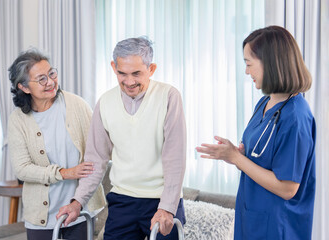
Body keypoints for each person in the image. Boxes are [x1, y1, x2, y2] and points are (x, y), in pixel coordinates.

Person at [57, 37, 187, 240]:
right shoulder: (106, 102)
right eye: (122, 73)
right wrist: (77, 202)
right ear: (113, 67)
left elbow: (175, 159)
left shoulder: (169, 97)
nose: (129, 81)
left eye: (137, 73)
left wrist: (168, 208)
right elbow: (95, 161)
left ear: (151, 69)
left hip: (160, 200)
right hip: (122, 201)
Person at [196, 25, 316, 240]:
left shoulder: (296, 116)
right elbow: (260, 158)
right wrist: (236, 154)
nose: (246, 72)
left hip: (279, 226)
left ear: (271, 63)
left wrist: (236, 159)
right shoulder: (265, 103)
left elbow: (288, 187)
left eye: (249, 64)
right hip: (252, 218)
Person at [7, 49, 106, 240]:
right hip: (40, 217)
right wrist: (65, 173)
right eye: (41, 79)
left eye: (52, 73)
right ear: (25, 87)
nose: (51, 82)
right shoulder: (18, 120)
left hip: (79, 211)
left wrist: (79, 201)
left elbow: (97, 153)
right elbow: (22, 169)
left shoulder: (76, 105)